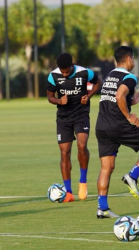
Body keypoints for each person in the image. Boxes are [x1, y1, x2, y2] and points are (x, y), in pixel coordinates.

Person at [47, 53, 101, 202]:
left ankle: (83, 182)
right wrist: (59, 100)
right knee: (65, 153)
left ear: (72, 65)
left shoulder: (84, 72)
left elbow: (98, 82)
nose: (64, 74)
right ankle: (69, 192)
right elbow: (50, 96)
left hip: (81, 115)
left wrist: (88, 96)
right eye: (62, 72)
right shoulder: (53, 76)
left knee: (82, 145)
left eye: (67, 71)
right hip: (63, 118)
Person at [96, 45, 139, 219]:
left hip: (102, 126)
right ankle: (132, 175)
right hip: (118, 125)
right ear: (129, 59)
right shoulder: (130, 77)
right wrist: (128, 116)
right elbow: (120, 96)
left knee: (106, 168)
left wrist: (129, 105)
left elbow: (130, 99)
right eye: (133, 58)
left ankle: (102, 208)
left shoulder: (110, 76)